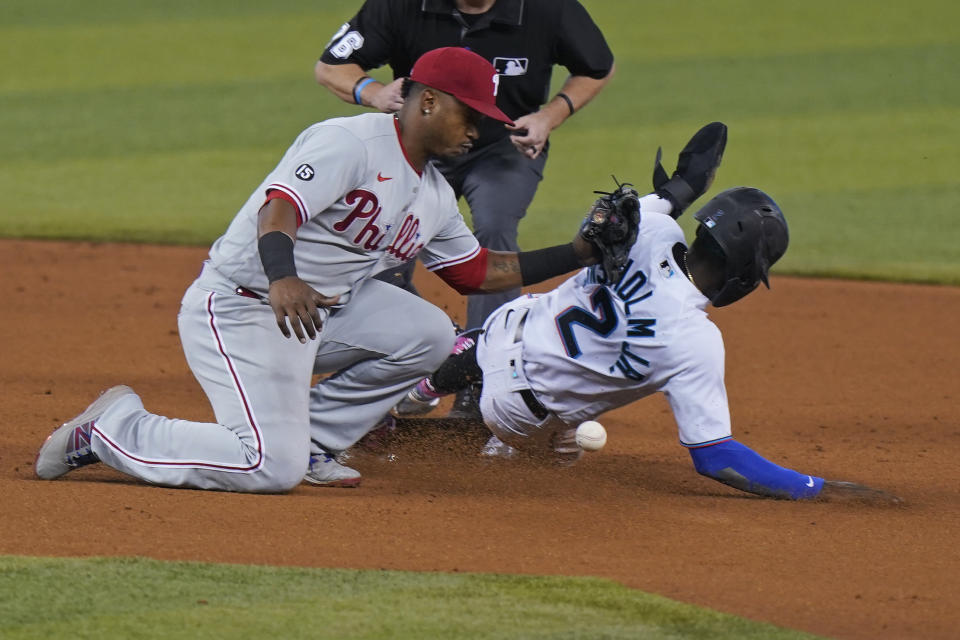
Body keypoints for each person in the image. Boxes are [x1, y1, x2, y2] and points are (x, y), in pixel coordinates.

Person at [34, 48, 605, 493]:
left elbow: (478, 272)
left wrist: (578, 252)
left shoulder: (432, 192)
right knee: (266, 468)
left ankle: (313, 440)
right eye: (470, 114)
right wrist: (282, 273)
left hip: (316, 316)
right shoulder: (349, 141)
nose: (477, 130)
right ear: (428, 101)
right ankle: (112, 429)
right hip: (244, 305)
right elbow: (280, 206)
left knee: (431, 335)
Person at [393, 152, 901, 503]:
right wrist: (812, 486)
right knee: (539, 458)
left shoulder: (654, 229)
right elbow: (717, 457)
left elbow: (643, 204)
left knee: (484, 346)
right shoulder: (695, 341)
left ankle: (416, 393)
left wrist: (686, 184)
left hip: (497, 333)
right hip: (516, 411)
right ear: (745, 275)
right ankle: (433, 444)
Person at [315, 0, 615, 417]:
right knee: (388, 246)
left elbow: (598, 65)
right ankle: (397, 370)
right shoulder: (400, 6)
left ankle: (483, 374)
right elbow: (331, 66)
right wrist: (374, 92)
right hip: (422, 148)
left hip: (503, 148)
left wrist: (549, 116)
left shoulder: (547, 8)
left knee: (495, 226)